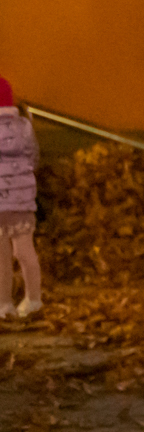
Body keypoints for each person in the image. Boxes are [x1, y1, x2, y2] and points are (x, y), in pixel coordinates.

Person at [0, 77, 42, 319]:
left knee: (1, 257)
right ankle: (34, 299)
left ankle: (4, 304)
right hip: (22, 202)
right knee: (25, 252)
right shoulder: (24, 126)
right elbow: (33, 157)